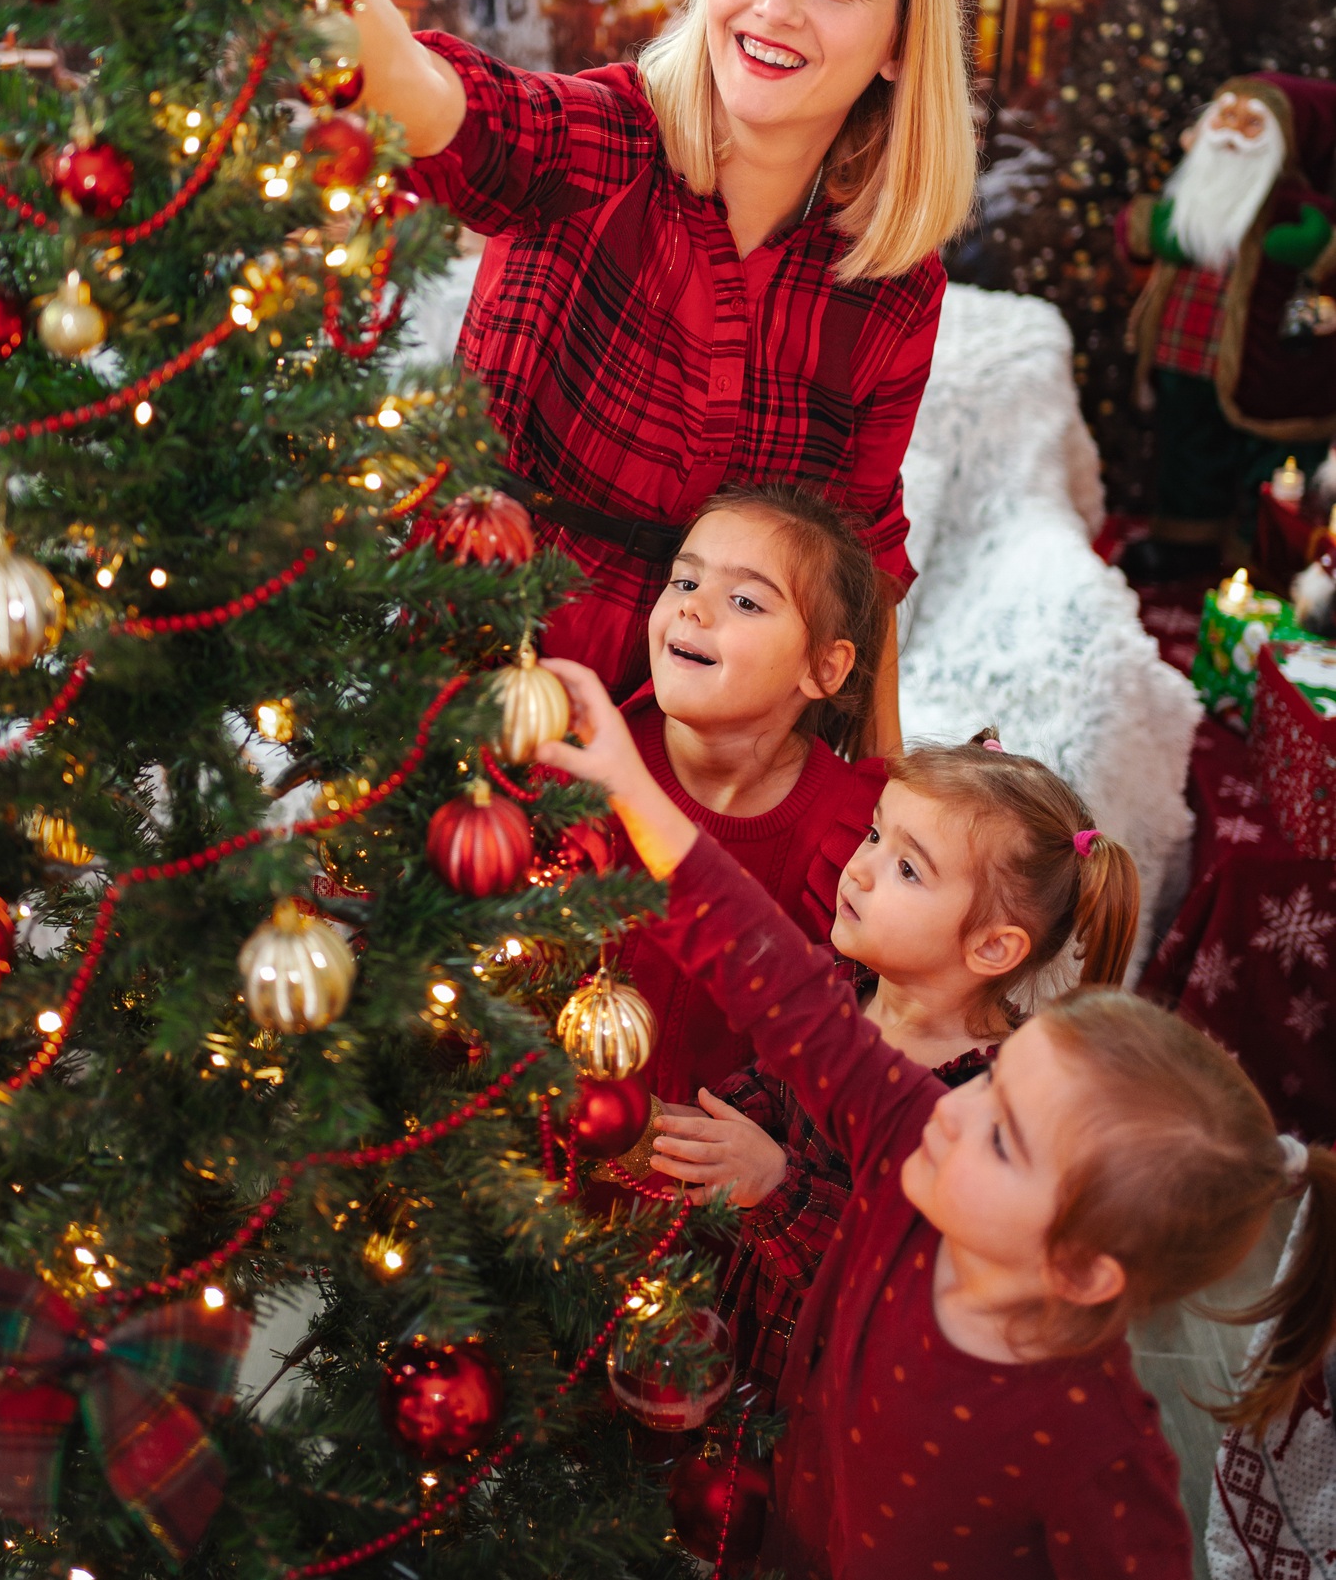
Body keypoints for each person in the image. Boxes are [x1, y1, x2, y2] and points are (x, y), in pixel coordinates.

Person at [76, 0, 977, 743]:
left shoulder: (892, 277)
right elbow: (410, 81)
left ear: (900, 40)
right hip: (487, 674)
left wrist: (879, 790)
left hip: (714, 740)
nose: (774, 6)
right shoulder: (601, 139)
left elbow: (859, 554)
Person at [537, 658, 1336, 1580]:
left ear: (1077, 1264)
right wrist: (634, 786)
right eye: (990, 1091)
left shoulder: (1100, 1455)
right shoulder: (917, 1145)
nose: (951, 1117)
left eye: (1001, 1133)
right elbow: (770, 971)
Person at [651, 732, 1140, 1400]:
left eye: (908, 868)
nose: (858, 868)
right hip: (745, 1348)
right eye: (876, 834)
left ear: (993, 946)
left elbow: (898, 1271)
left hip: (832, 1401)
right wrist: (697, 1128)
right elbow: (773, 1086)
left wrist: (773, 1181)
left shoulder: (987, 1103)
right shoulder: (847, 989)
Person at [607, 482, 887, 1111]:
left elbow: (853, 1052)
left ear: (822, 668)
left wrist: (774, 1158)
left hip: (724, 1198)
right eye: (684, 582)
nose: (694, 610)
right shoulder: (584, 770)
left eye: (744, 600)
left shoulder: (858, 837)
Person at [1118, 74, 1336, 583]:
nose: (1232, 131)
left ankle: (1262, 559)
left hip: (1265, 365)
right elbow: (1150, 232)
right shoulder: (1195, 189)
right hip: (1183, 350)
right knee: (1188, 451)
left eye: (1251, 122)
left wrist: (1315, 246)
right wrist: (1144, 226)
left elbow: (1322, 250)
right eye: (1226, 114)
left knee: (1273, 465)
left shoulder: (1294, 210)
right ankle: (1183, 543)